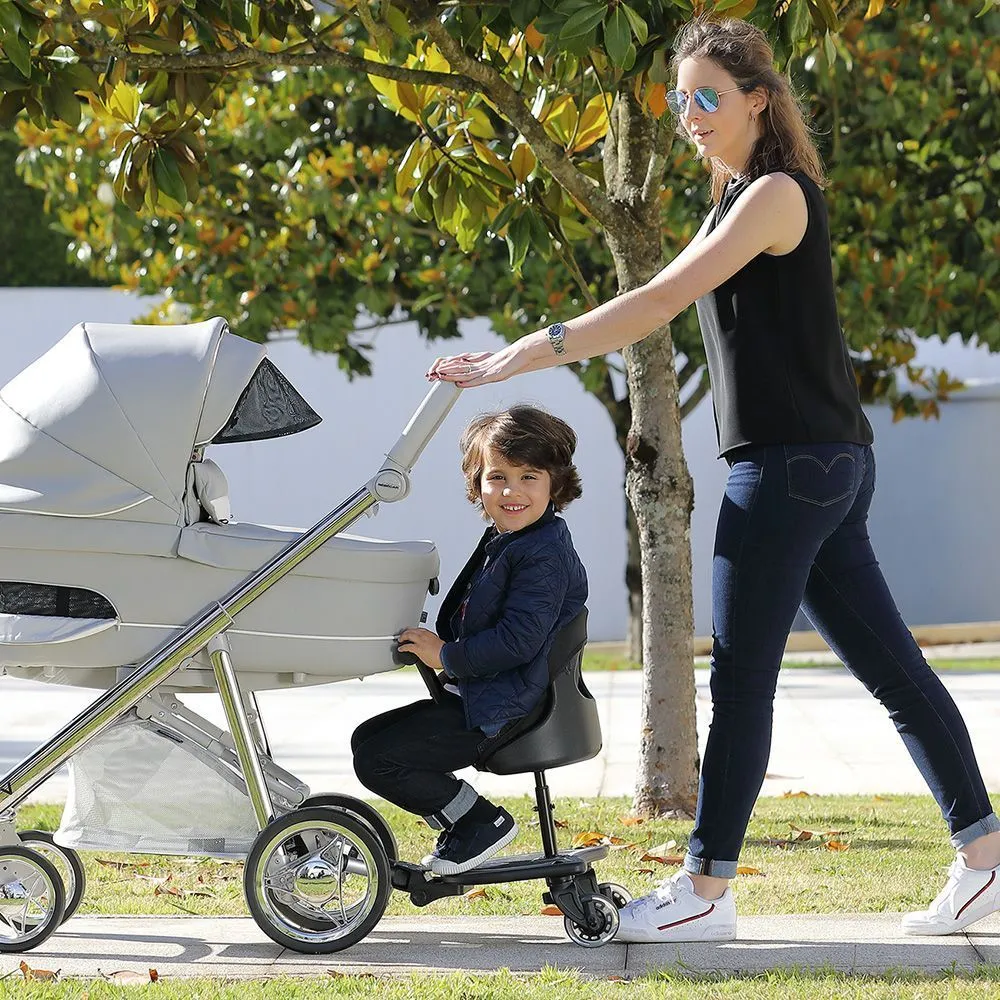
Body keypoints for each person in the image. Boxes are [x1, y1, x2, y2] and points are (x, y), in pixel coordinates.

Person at [426, 16, 1000, 941]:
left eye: (709, 98)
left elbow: (657, 301)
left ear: (758, 102)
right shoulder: (736, 195)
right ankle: (985, 863)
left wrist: (516, 360)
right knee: (895, 672)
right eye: (679, 98)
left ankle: (703, 894)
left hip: (786, 471)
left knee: (741, 683)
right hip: (820, 465)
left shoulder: (773, 194)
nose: (690, 114)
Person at [351, 405, 588, 876]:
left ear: (555, 485)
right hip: (486, 697)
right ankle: (463, 821)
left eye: (529, 477)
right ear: (477, 485)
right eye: (497, 477)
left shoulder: (541, 555)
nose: (511, 491)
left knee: (380, 759)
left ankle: (480, 822)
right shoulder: (511, 539)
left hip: (503, 710)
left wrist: (446, 655)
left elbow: (517, 642)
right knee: (368, 739)